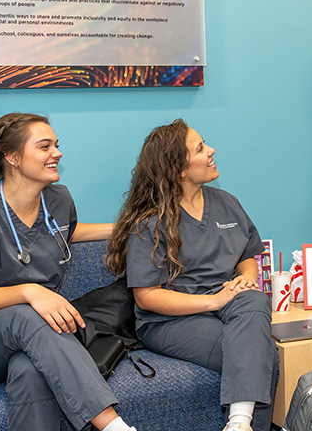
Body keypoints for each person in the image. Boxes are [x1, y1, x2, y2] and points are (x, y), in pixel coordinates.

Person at [0, 113, 133, 431]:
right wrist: (31, 291)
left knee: (31, 368)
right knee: (28, 314)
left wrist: (126, 228)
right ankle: (114, 426)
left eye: (56, 145)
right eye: (44, 146)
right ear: (12, 157)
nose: (57, 153)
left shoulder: (58, 199)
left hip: (31, 339)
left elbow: (66, 231)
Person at [106, 119, 278, 431]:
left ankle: (238, 425)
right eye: (200, 148)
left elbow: (247, 255)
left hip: (228, 303)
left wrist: (246, 279)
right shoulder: (151, 222)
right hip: (171, 321)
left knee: (253, 299)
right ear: (179, 170)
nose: (212, 151)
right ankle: (241, 423)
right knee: (263, 354)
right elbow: (147, 296)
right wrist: (214, 301)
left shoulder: (226, 202)